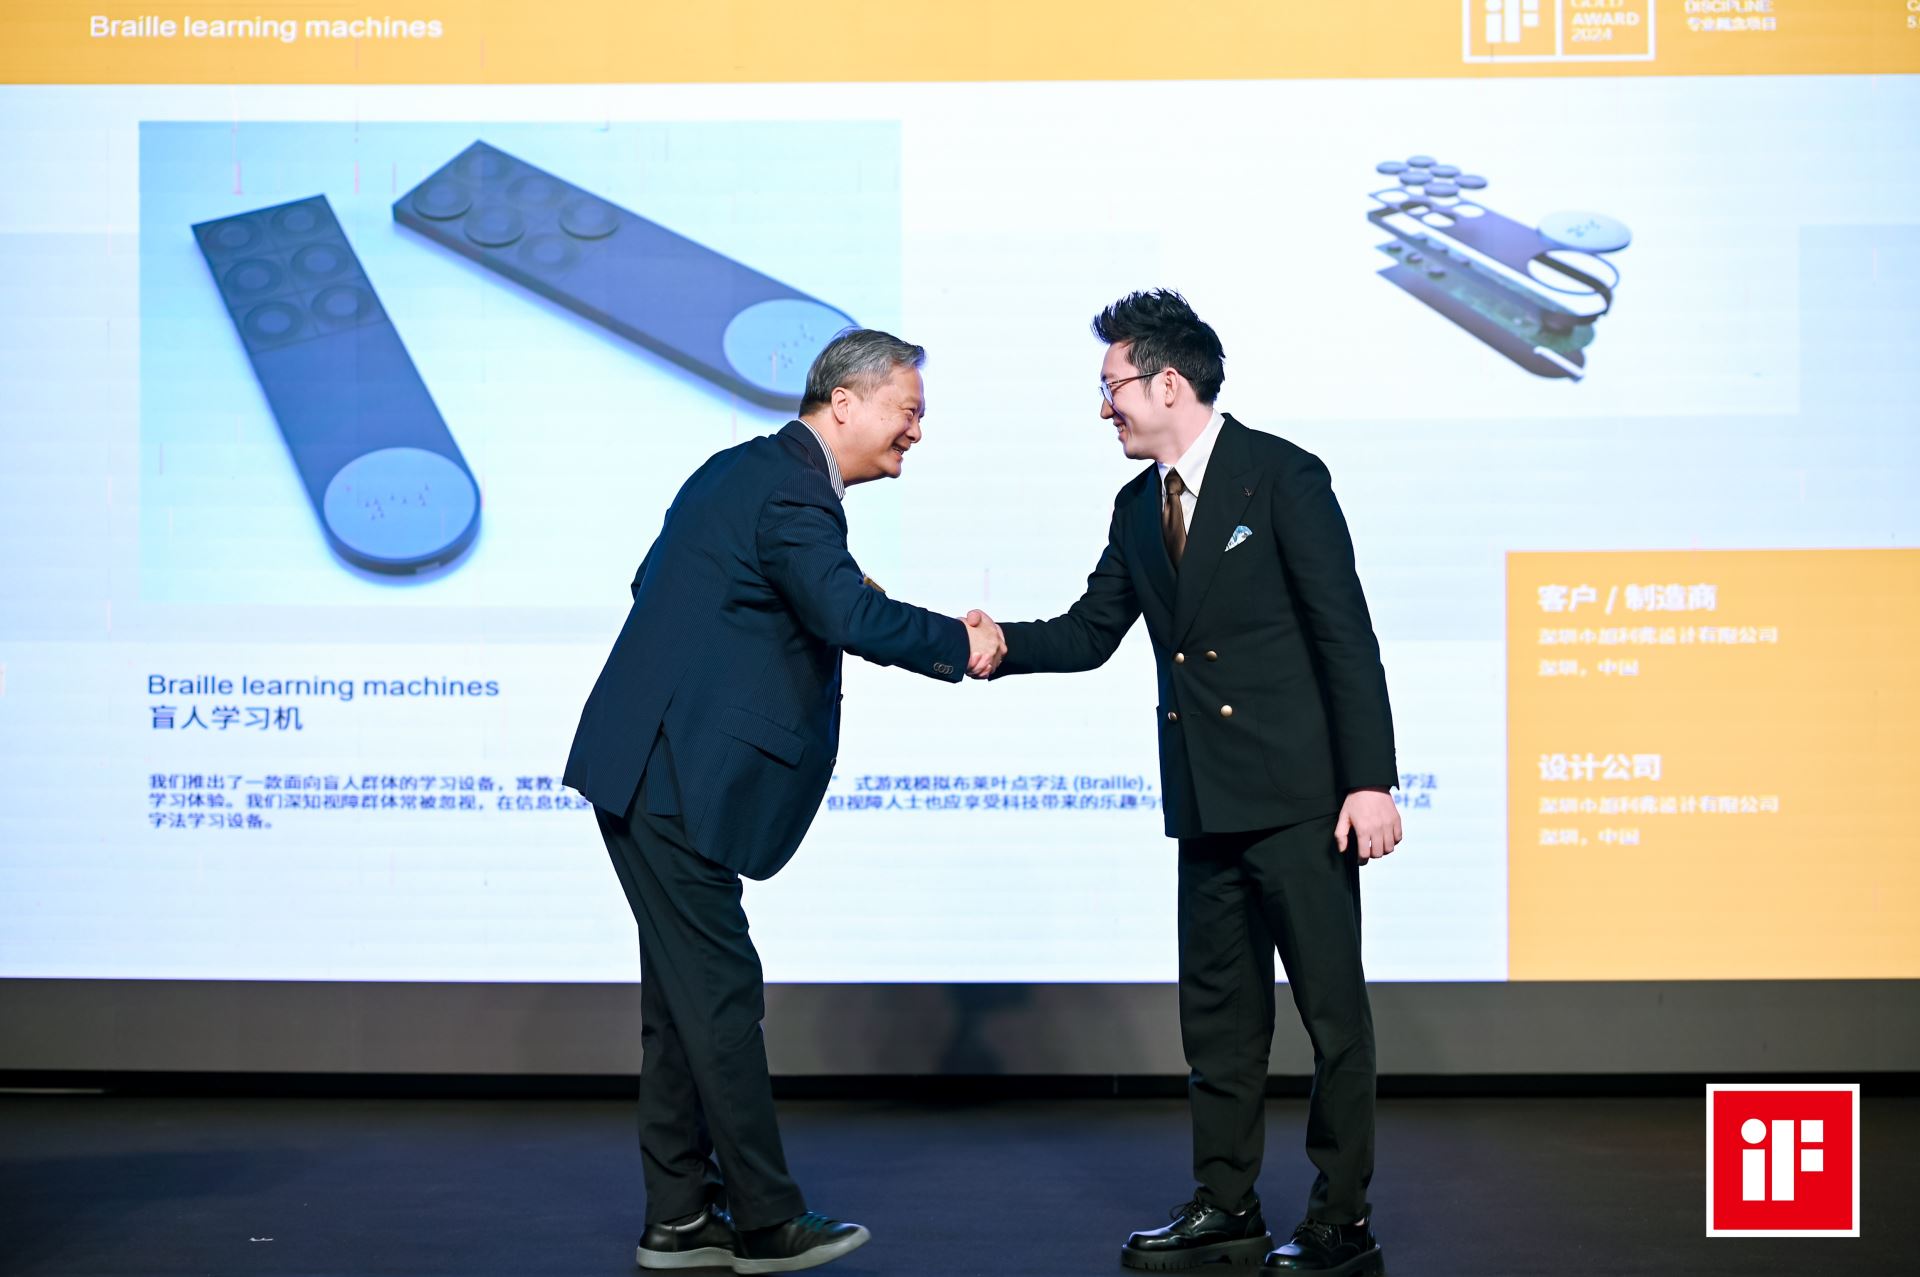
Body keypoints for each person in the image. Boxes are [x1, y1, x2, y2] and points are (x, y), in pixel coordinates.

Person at [971, 290, 1400, 1277]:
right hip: (1205, 804)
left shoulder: (1282, 475)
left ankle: (1341, 1217)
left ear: (1168, 383)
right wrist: (993, 645)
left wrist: (1370, 780)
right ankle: (1226, 1203)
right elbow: (1090, 632)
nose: (1104, 408)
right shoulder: (1137, 507)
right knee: (1217, 1024)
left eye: (1112, 386)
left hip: (1300, 802)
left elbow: (1345, 634)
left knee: (1333, 1019)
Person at [563, 328, 1006, 1273]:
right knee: (721, 995)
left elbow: (664, 583)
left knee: (683, 1002)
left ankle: (679, 1218)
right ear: (844, 402)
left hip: (648, 765)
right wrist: (956, 641)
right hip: (671, 775)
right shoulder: (794, 491)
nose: (917, 431)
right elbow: (844, 614)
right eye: (909, 410)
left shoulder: (741, 470)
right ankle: (766, 1220)